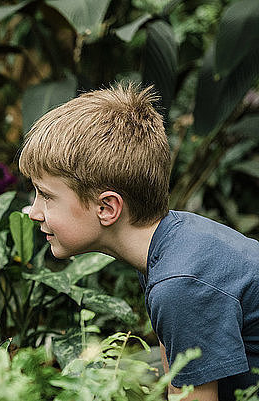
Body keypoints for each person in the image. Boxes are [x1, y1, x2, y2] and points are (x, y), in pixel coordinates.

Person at [18, 83, 259, 401]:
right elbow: (174, 386)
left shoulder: (180, 283)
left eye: (47, 196)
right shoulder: (170, 249)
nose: (34, 212)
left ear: (107, 208)